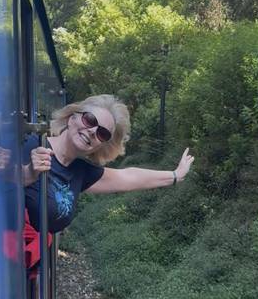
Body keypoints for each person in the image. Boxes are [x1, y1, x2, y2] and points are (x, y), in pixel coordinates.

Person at [22, 94, 194, 236]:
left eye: (102, 133)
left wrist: (176, 175)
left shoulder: (80, 171)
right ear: (72, 118)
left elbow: (128, 177)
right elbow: (5, 179)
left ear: (102, 145)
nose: (92, 131)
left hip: (35, 264)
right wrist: (28, 173)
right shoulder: (29, 145)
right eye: (90, 120)